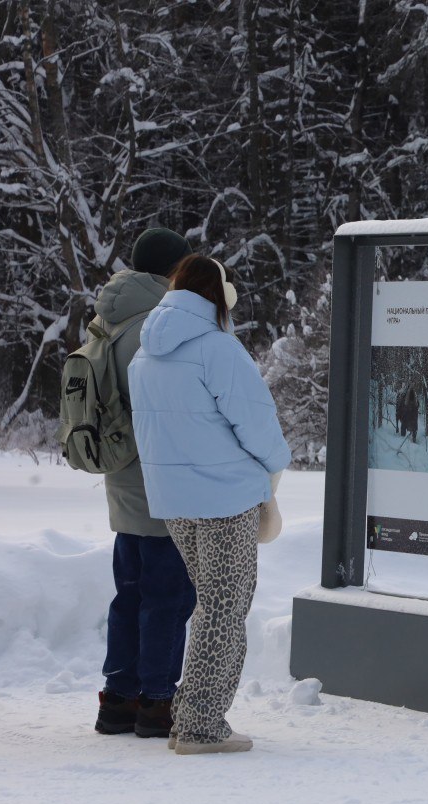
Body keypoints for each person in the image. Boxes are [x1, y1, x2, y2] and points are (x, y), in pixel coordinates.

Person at [128, 253, 290, 754]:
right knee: (224, 608)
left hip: (176, 501)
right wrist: (274, 466)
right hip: (225, 496)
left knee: (212, 604)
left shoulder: (145, 352)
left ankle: (189, 718)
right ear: (216, 299)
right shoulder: (218, 349)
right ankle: (200, 724)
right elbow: (258, 424)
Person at [94, 227, 197, 739]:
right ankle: (157, 702)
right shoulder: (156, 327)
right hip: (160, 485)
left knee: (129, 595)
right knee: (168, 598)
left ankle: (118, 699)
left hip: (122, 482)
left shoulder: (108, 318)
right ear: (172, 271)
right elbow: (175, 410)